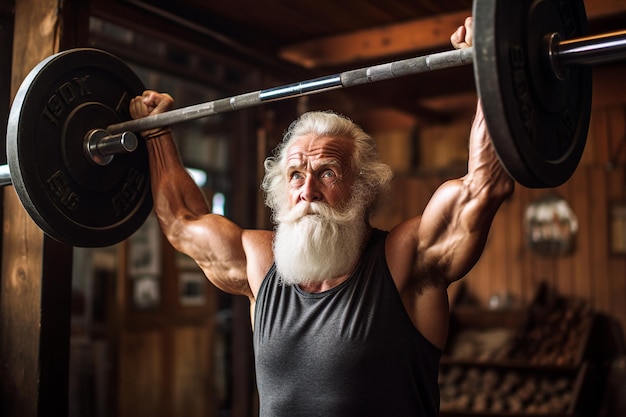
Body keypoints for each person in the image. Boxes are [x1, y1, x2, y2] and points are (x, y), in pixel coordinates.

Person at [129, 17, 514, 417]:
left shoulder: (405, 262)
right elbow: (183, 221)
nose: (307, 190)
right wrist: (156, 135)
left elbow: (484, 186)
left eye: (326, 173)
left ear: (362, 187)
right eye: (296, 175)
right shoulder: (261, 264)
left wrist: (490, 66)